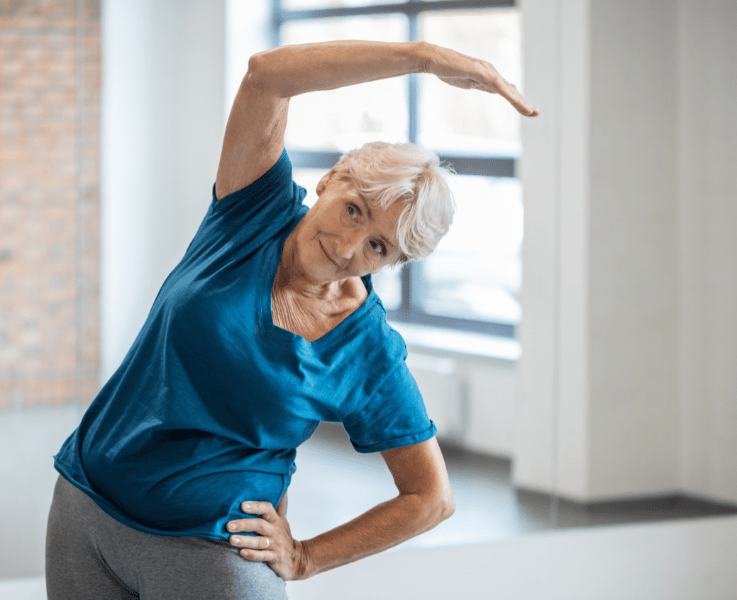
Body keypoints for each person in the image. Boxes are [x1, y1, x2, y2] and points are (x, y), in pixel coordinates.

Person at [45, 40, 537, 599]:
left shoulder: (366, 348)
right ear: (330, 179)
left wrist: (306, 558)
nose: (349, 246)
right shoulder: (251, 211)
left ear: (395, 263)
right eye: (354, 209)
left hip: (211, 551)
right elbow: (267, 76)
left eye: (379, 246)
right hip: (85, 506)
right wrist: (423, 59)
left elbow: (430, 497)